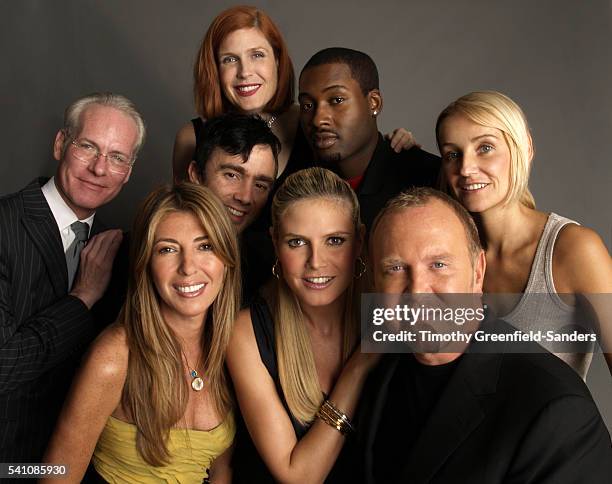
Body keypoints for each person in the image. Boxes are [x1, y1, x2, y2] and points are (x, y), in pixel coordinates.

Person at [362, 187, 612, 483]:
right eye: (395, 268)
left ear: (477, 273)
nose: (416, 292)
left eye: (438, 265)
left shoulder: (557, 412)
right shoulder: (379, 373)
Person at [43, 183, 239, 483]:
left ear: (226, 259)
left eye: (205, 246)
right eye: (168, 249)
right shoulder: (114, 356)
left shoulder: (231, 348)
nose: (188, 267)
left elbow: (222, 470)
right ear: (146, 264)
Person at [0, 92, 145, 462]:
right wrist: (81, 299)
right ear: (61, 144)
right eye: (88, 147)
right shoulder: (4, 224)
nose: (99, 169)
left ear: (128, 171)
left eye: (117, 158)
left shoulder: (122, 248)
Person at [435, 90, 612, 379]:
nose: (465, 169)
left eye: (485, 148)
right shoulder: (452, 257)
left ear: (524, 148)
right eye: (452, 154)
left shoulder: (574, 249)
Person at [226, 167, 377, 483]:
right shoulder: (245, 333)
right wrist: (360, 366)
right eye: (297, 242)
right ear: (275, 243)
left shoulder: (388, 306)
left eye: (335, 240)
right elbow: (299, 476)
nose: (316, 262)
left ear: (360, 240)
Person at [172, 5, 417, 185]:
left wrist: (392, 147)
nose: (245, 72)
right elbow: (184, 221)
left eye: (257, 55)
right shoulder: (192, 139)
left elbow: (360, 166)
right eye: (229, 60)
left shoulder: (311, 121)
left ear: (277, 61)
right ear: (214, 69)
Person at [298, 47, 441, 231]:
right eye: (307, 105)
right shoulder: (296, 181)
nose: (318, 119)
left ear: (374, 103)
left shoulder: (428, 179)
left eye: (337, 100)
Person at [187, 112, 280, 304]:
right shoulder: (139, 248)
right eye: (232, 175)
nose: (245, 197)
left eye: (260, 185)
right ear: (196, 175)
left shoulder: (267, 270)